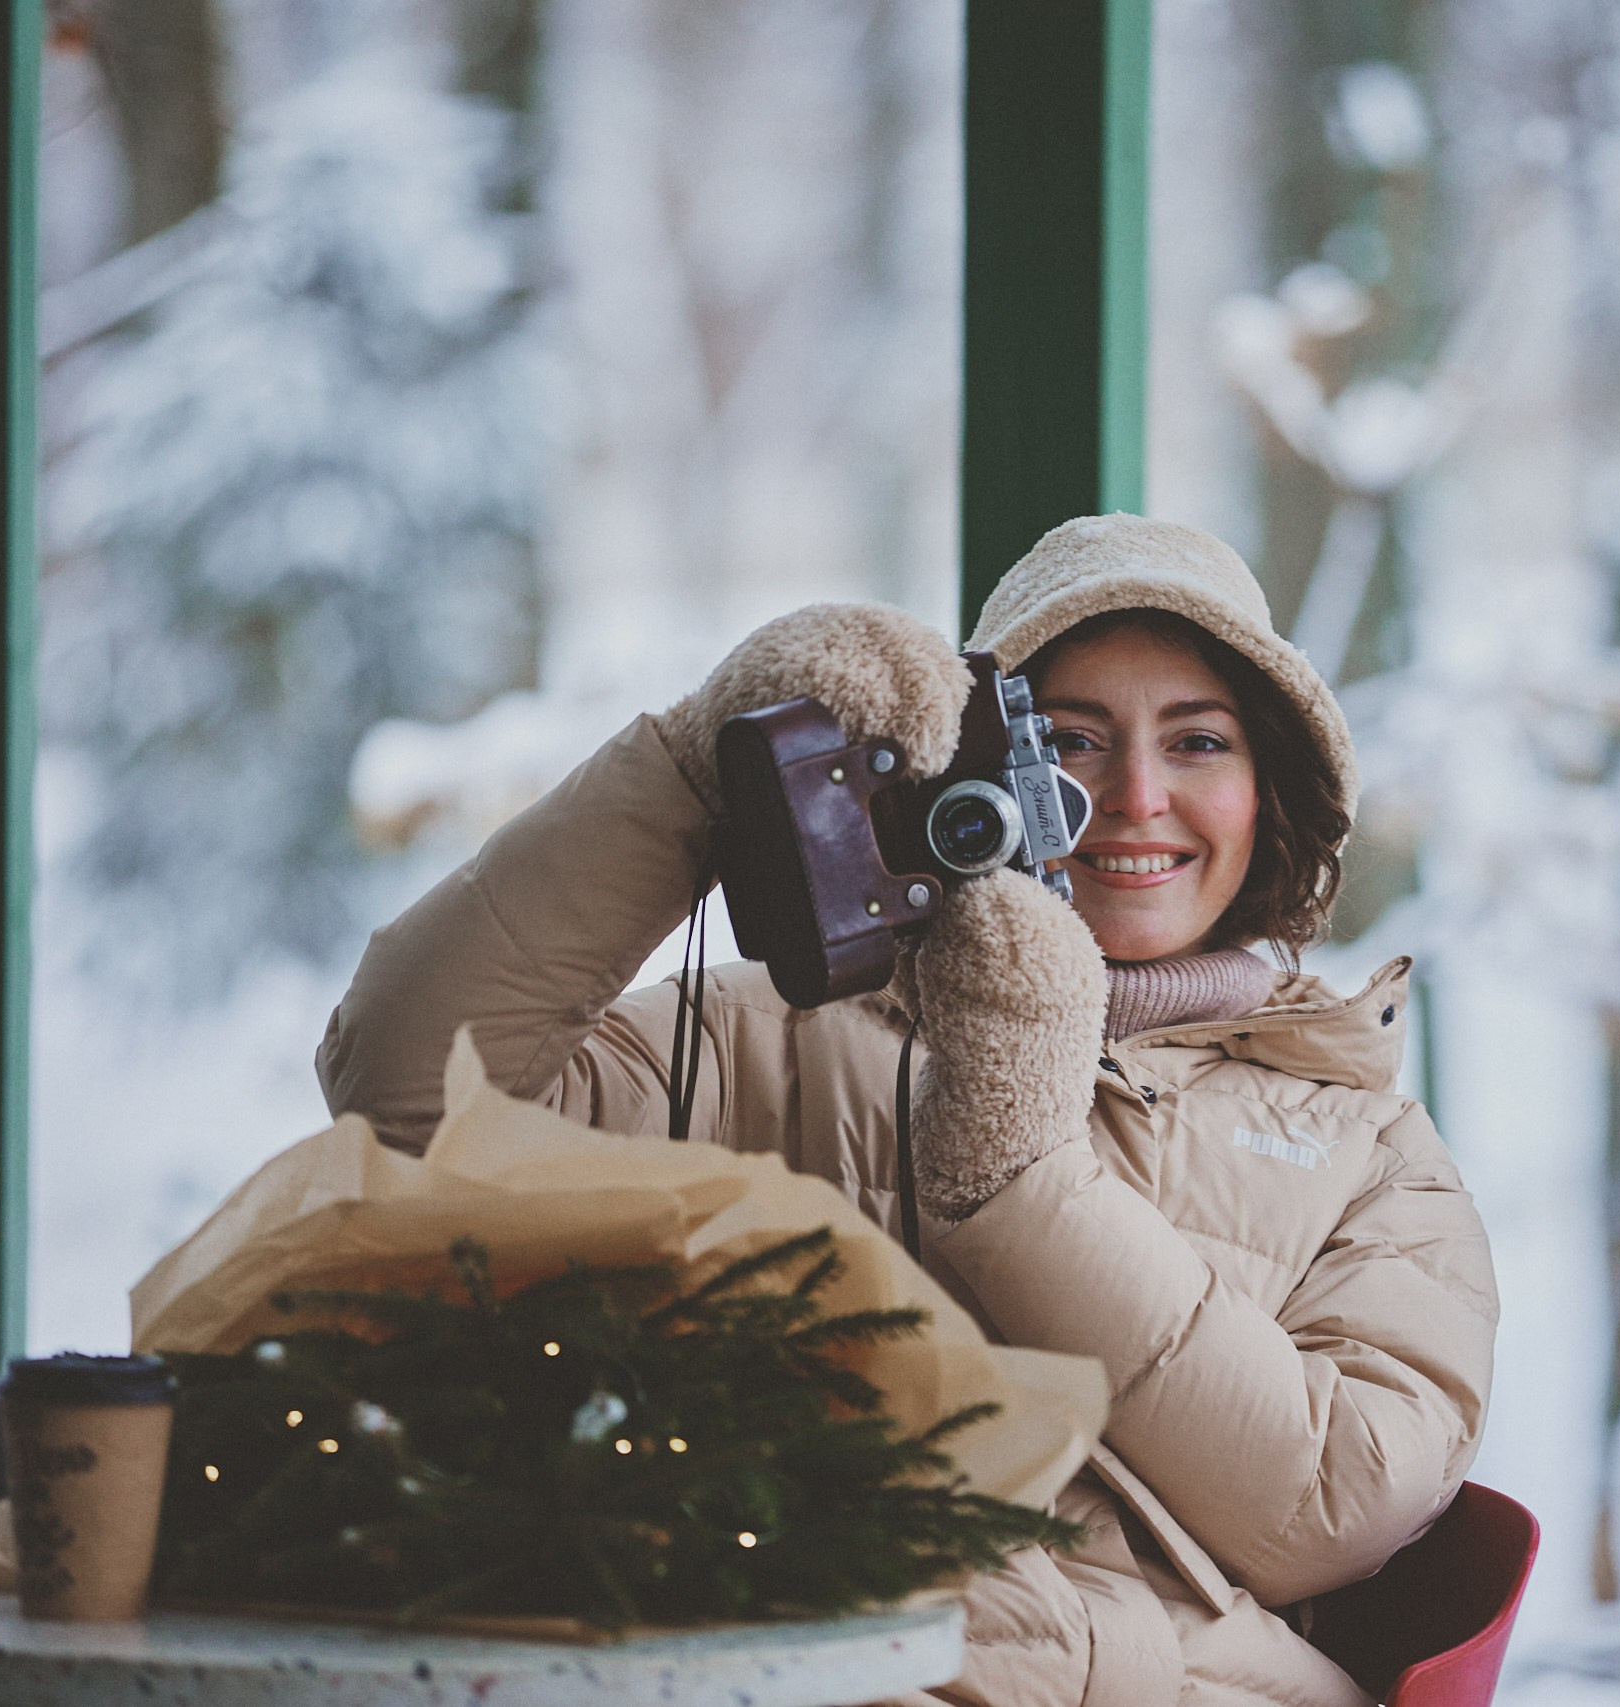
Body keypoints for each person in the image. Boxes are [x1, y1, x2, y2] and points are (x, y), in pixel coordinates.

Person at [317, 514, 1499, 1706]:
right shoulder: (767, 1032)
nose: (1135, 797)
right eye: (1070, 745)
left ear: (1273, 793)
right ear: (961, 774)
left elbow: (1332, 1506)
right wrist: (686, 770)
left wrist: (1020, 1182)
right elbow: (416, 1101)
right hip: (798, 1657)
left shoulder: (1368, 1146)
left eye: (1198, 743)